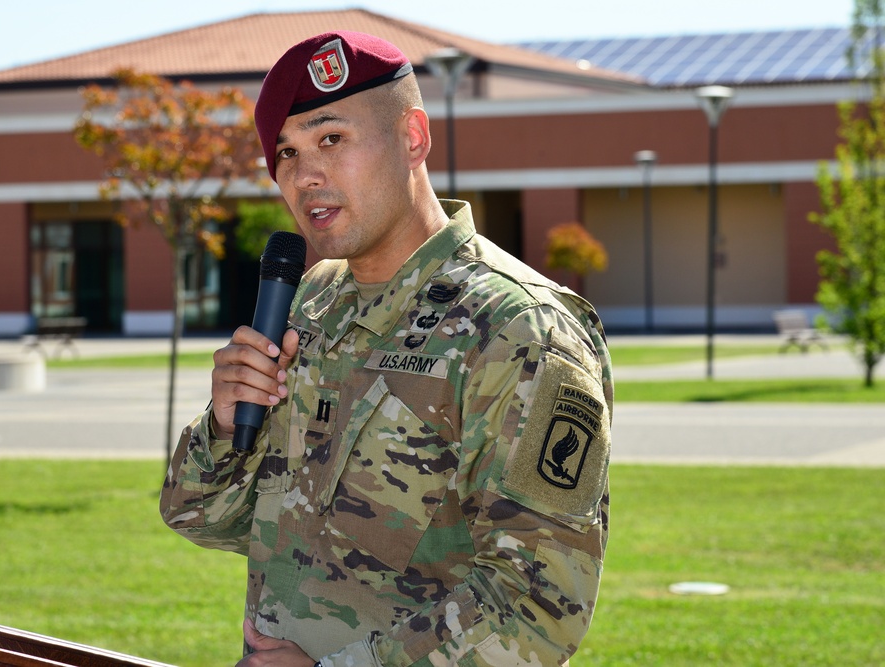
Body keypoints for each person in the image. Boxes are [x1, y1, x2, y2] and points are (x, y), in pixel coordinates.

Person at [160, 31, 613, 667]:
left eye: (330, 139)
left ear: (413, 138)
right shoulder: (309, 302)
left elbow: (536, 605)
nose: (304, 174)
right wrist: (225, 427)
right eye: (285, 153)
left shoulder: (517, 327)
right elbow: (204, 519)